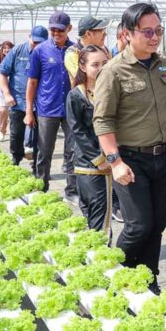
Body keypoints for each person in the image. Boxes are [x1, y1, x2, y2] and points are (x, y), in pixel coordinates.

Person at [93, 2, 166, 295]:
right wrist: (115, 162)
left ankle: (149, 278)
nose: (155, 37)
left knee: (157, 226)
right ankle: (116, 276)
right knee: (139, 225)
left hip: (163, 157)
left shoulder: (164, 63)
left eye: (159, 31)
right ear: (128, 34)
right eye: (148, 32)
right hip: (131, 160)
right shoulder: (113, 71)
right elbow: (102, 120)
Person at [66, 45, 117, 235]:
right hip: (89, 164)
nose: (101, 68)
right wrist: (99, 158)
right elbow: (77, 131)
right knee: (98, 218)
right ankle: (100, 258)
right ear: (82, 67)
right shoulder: (77, 95)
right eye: (95, 64)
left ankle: (97, 256)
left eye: (105, 63)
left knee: (99, 217)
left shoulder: (113, 91)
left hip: (112, 162)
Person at [26, 12, 77, 194]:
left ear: (69, 29)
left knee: (72, 152)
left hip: (72, 109)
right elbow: (32, 82)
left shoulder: (76, 50)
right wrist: (29, 111)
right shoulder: (40, 51)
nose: (56, 33)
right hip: (47, 109)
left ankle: (72, 191)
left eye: (60, 30)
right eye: (53, 29)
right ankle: (42, 188)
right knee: (44, 152)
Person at [64, 16, 111, 210]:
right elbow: (79, 131)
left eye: (104, 64)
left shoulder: (103, 52)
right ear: (89, 33)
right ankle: (72, 191)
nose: (105, 35)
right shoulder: (73, 53)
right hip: (89, 152)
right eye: (101, 31)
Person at [0, 26, 48, 167]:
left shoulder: (47, 52)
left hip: (40, 102)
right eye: (35, 42)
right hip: (18, 100)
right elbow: (2, 72)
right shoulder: (17, 50)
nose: (37, 46)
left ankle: (37, 164)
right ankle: (16, 158)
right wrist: (7, 94)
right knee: (16, 133)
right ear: (29, 37)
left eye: (41, 43)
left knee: (41, 136)